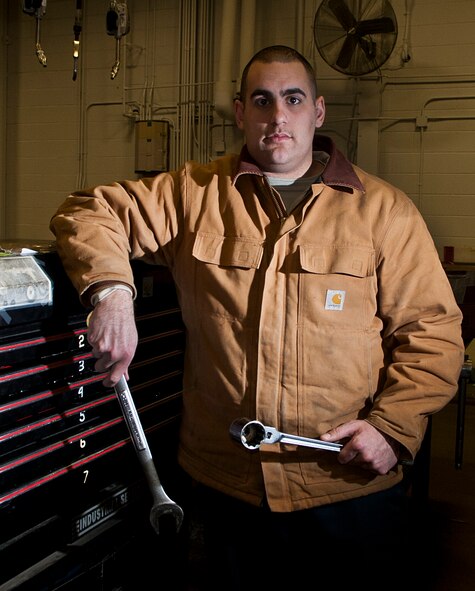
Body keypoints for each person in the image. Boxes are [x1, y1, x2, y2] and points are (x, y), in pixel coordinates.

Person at [50, 45, 464, 589]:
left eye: (293, 99)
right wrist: (111, 292)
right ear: (241, 112)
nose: (278, 116)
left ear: (317, 111)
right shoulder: (193, 195)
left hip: (343, 485)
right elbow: (88, 211)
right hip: (225, 488)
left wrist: (393, 428)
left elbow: (432, 333)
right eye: (262, 100)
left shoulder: (384, 213)